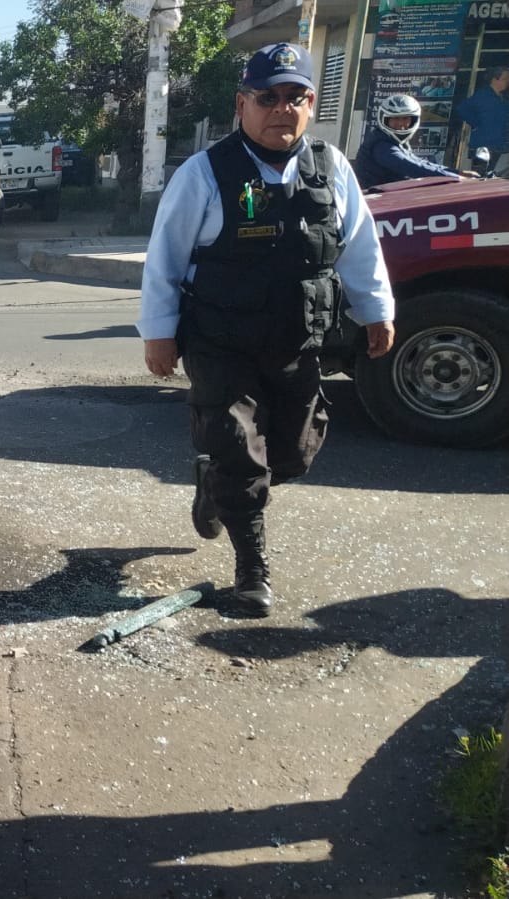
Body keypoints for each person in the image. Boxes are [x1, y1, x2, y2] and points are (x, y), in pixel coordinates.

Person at [138, 42, 397, 617]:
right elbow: (165, 259)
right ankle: (251, 569)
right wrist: (158, 333)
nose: (282, 109)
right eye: (268, 97)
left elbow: (359, 248)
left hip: (297, 340)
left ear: (310, 104)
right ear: (242, 104)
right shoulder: (206, 172)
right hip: (219, 339)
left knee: (293, 453)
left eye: (295, 97)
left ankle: (216, 487)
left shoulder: (331, 169)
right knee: (238, 450)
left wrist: (377, 309)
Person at [354, 94, 479, 188]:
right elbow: (412, 167)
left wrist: (457, 172)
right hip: (377, 205)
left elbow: (420, 163)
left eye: (405, 119)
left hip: (389, 200)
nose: (401, 124)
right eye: (395, 119)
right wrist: (456, 178)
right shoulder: (381, 146)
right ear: (384, 119)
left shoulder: (397, 143)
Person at [457, 66, 509, 175]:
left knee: (492, 174)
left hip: (498, 143)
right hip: (483, 143)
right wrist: (476, 124)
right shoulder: (483, 94)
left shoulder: (502, 98)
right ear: (495, 80)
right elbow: (462, 109)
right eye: (505, 78)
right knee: (480, 175)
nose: (507, 81)